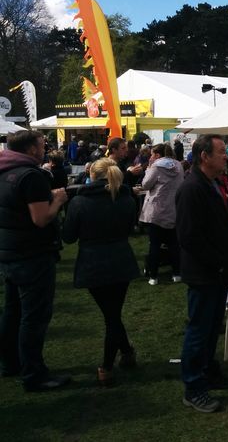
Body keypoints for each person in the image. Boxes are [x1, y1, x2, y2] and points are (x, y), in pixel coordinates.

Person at [176, 134, 228, 413]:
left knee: (211, 327)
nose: (227, 155)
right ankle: (193, 387)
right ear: (204, 156)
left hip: (216, 271)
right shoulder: (191, 189)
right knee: (199, 329)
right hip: (204, 273)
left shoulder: (212, 184)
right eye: (222, 151)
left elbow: (223, 227)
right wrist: (219, 262)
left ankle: (206, 372)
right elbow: (189, 237)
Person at [0, 130, 70, 391]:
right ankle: (34, 373)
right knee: (34, 316)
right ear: (30, 149)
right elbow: (40, 219)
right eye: (42, 145)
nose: (45, 149)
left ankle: (10, 363)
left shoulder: (5, 170)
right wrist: (58, 200)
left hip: (9, 251)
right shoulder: (31, 176)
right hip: (32, 254)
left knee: (13, 311)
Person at [62, 158, 140, 386]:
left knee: (111, 315)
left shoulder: (80, 202)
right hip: (120, 260)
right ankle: (126, 352)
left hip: (92, 263)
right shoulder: (126, 199)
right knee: (112, 313)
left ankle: (106, 366)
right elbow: (130, 228)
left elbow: (68, 237)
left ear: (92, 175)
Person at [139, 143, 184, 285]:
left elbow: (145, 184)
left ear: (157, 155)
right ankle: (177, 273)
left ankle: (153, 276)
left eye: (152, 154)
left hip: (156, 211)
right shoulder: (179, 165)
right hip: (173, 209)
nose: (151, 157)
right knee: (174, 244)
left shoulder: (156, 167)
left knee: (155, 245)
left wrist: (147, 170)